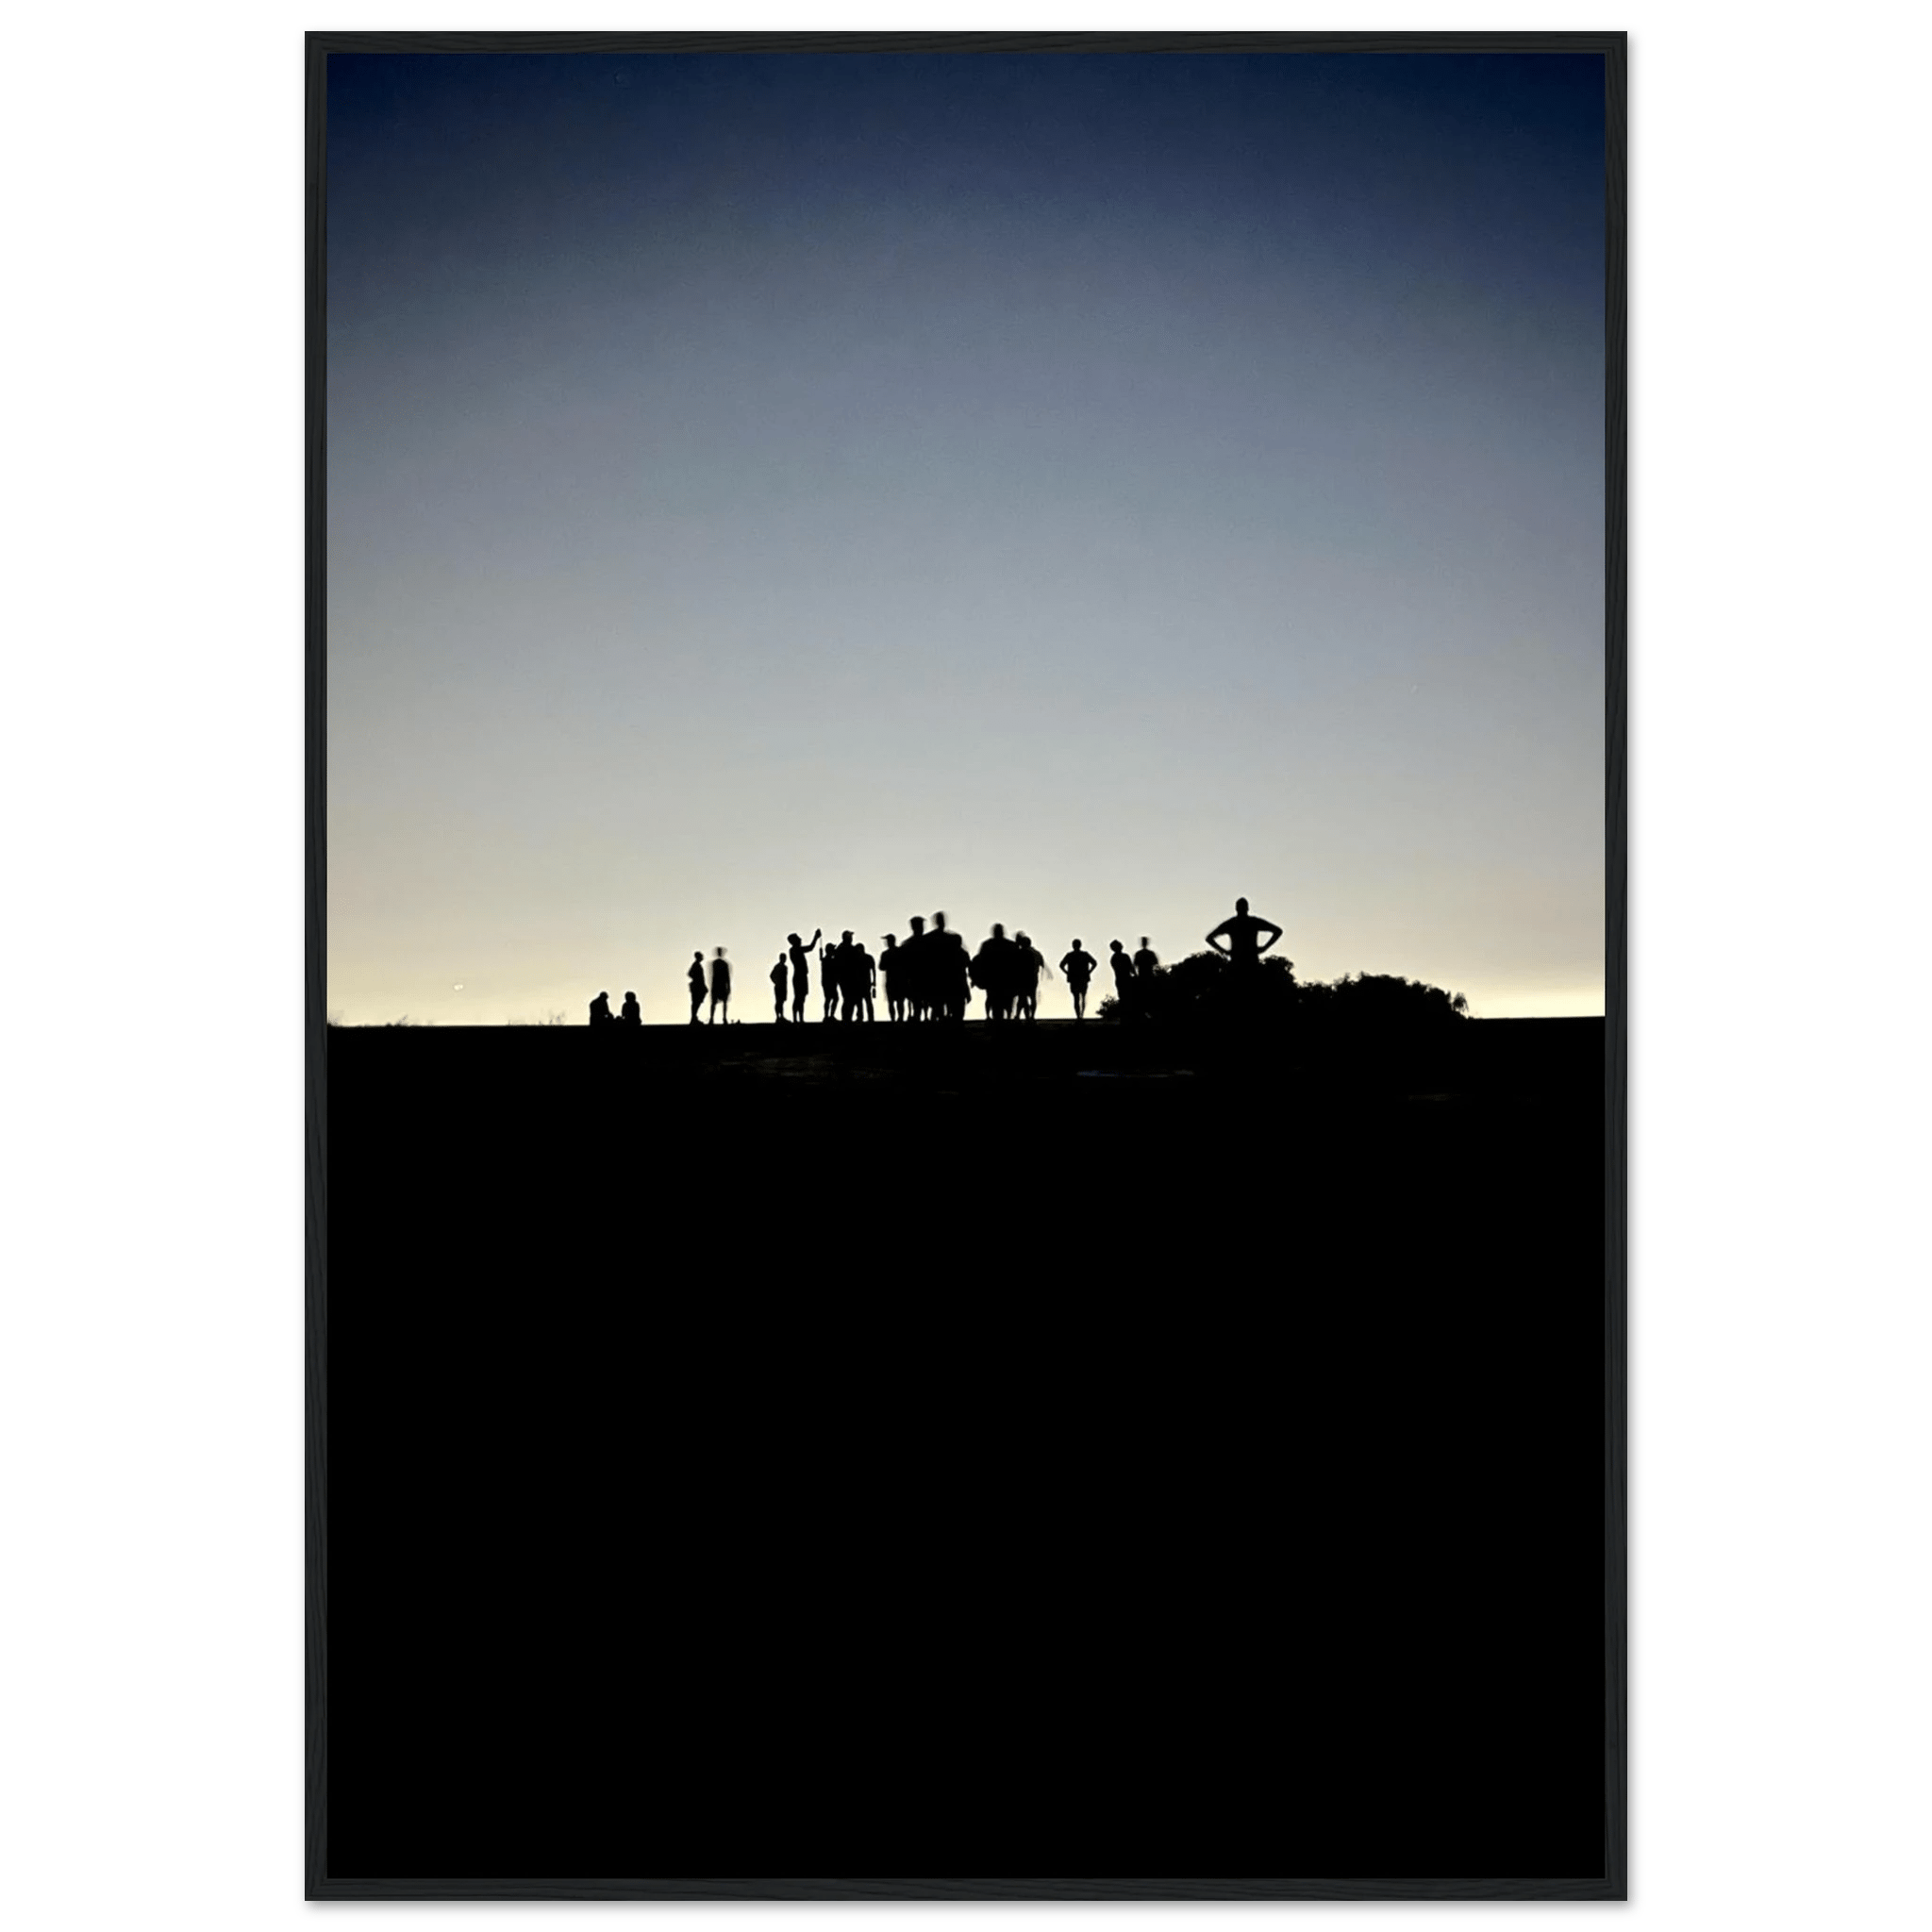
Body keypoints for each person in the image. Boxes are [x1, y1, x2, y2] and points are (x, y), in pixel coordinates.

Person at [1205, 897, 1284, 968]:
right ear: (1247, 908)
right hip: (1245, 963)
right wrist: (1265, 948)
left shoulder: (1232, 923)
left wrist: (1224, 951)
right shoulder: (1252, 922)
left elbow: (1209, 938)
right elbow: (1278, 931)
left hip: (1242, 963)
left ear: (1236, 908)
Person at [972, 924, 1020, 1023]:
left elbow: (978, 961)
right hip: (1007, 980)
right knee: (1008, 1002)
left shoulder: (987, 945)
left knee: (994, 1002)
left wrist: (976, 978)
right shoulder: (1011, 945)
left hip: (992, 980)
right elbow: (1018, 963)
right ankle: (1007, 1019)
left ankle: (995, 1020)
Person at [930, 912, 970, 1022]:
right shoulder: (953, 940)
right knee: (954, 1012)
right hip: (952, 982)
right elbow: (964, 967)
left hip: (940, 981)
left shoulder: (930, 939)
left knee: (940, 1011)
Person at [786, 929, 821, 1025]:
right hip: (799, 976)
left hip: (801, 976)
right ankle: (796, 1019)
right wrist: (816, 937)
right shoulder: (795, 950)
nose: (800, 939)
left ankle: (799, 1018)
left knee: (801, 997)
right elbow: (810, 947)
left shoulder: (795, 950)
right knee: (799, 997)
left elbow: (810, 948)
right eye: (798, 938)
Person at [1013, 932, 1050, 1023]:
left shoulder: (1020, 952)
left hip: (1023, 978)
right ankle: (1032, 1016)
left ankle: (1019, 1015)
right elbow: (1043, 964)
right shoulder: (1036, 953)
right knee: (1032, 997)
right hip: (1033, 978)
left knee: (1022, 997)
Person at [1059, 941, 1098, 1021]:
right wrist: (1089, 972)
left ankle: (1078, 1016)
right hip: (1083, 978)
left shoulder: (1070, 955)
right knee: (1082, 997)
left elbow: (1061, 965)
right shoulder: (1084, 955)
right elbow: (1094, 963)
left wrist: (1067, 973)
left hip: (1074, 979)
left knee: (1076, 998)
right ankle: (1081, 1015)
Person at [879, 935, 905, 1024]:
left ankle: (893, 1019)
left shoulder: (885, 954)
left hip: (890, 981)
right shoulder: (900, 951)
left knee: (891, 1002)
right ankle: (900, 1018)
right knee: (899, 1001)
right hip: (900, 980)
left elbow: (881, 967)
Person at [708, 948, 732, 1025]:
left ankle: (715, 1018)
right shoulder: (723, 963)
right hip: (720, 985)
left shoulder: (716, 963)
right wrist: (728, 986)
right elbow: (727, 976)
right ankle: (719, 1018)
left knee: (716, 1003)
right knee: (719, 1003)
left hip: (717, 984)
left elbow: (726, 976)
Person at [687, 952, 707, 1025]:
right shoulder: (696, 965)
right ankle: (693, 1018)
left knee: (696, 1002)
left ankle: (694, 1018)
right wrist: (696, 980)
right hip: (697, 987)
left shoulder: (697, 965)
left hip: (698, 986)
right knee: (696, 1002)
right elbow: (690, 974)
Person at [770, 954, 789, 1022]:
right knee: (779, 1002)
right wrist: (776, 982)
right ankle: (778, 1016)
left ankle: (781, 1016)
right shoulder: (778, 967)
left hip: (783, 986)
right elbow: (771, 975)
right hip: (779, 987)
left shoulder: (785, 967)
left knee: (781, 1002)